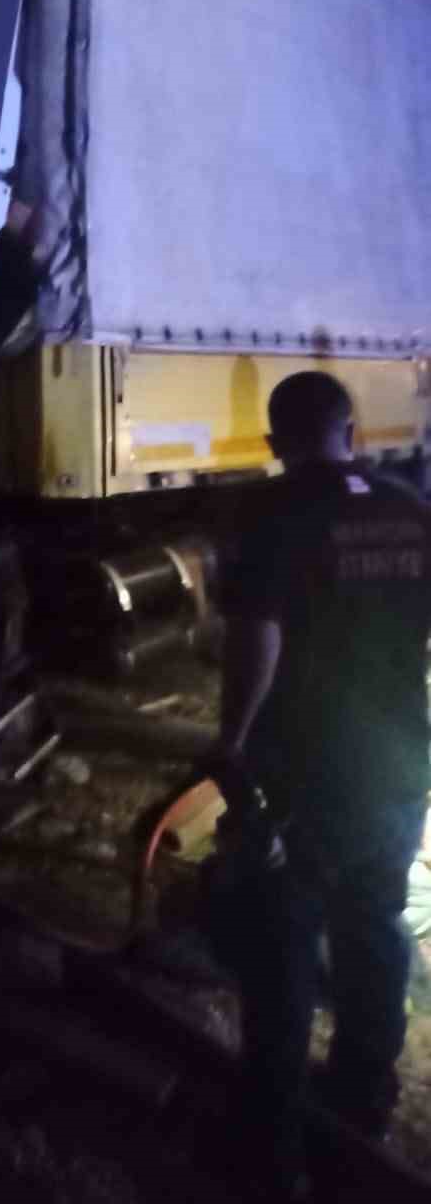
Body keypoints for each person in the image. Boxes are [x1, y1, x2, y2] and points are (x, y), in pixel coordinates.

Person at [218, 370, 431, 1198]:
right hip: (394, 766)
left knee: (280, 949)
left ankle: (269, 1151)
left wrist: (230, 742)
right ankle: (360, 1105)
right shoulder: (409, 512)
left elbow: (256, 641)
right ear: (354, 432)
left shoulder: (272, 514)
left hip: (303, 770)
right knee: (374, 923)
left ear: (275, 443)